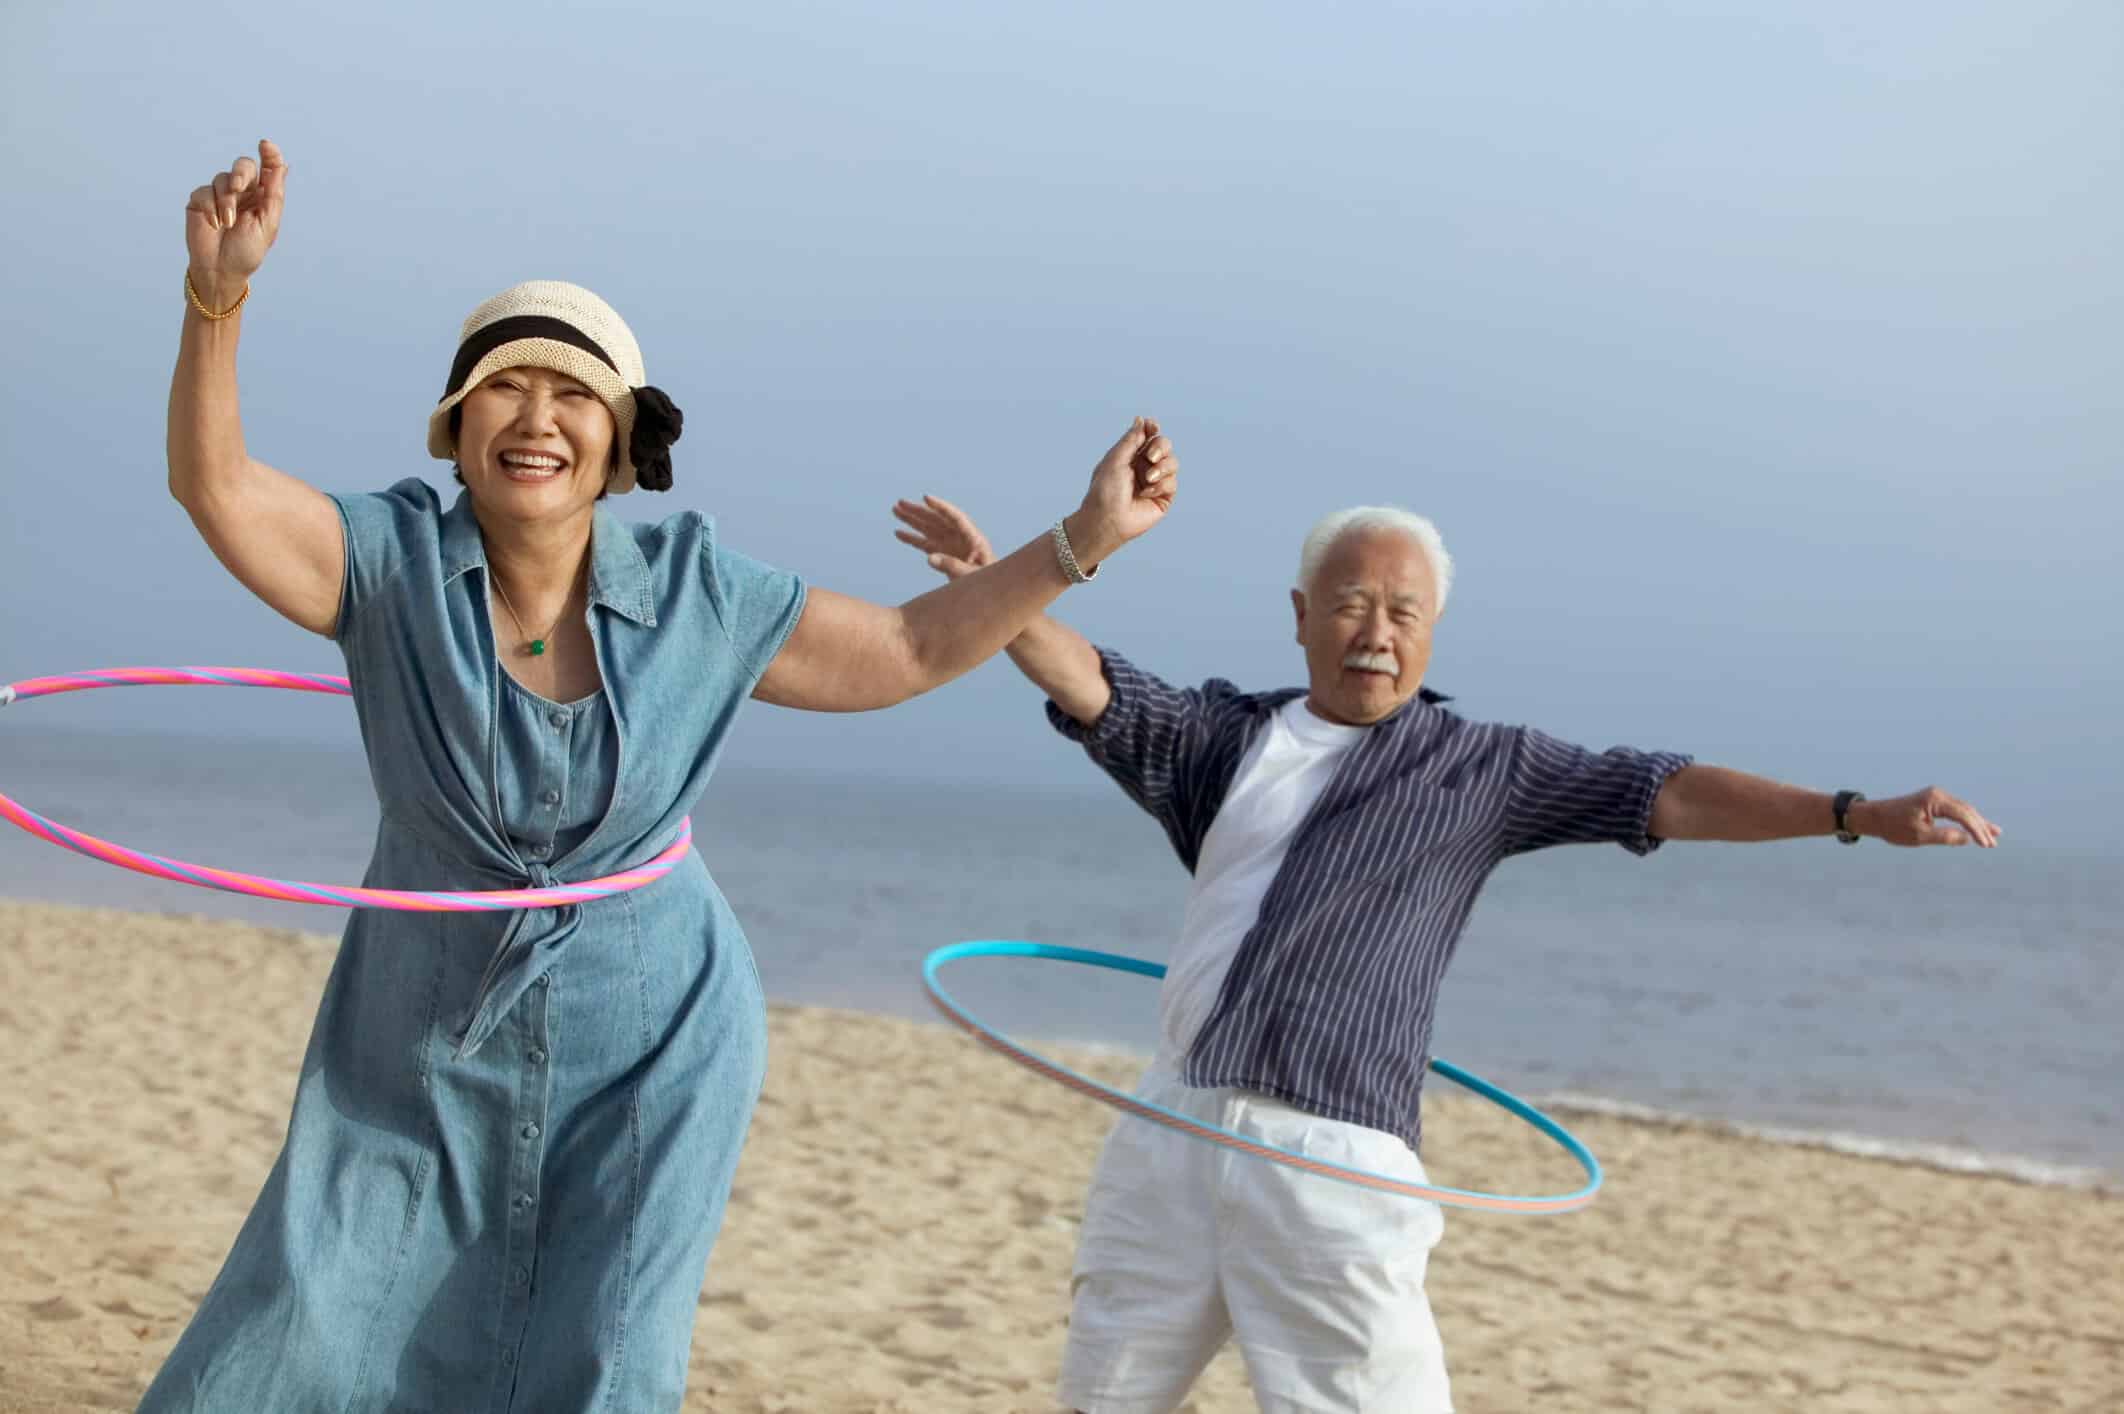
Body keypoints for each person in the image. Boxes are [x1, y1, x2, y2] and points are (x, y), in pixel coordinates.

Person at [146, 139, 1178, 1413]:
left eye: (572, 395)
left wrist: (1083, 538)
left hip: (654, 1042)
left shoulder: (698, 592)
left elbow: (908, 647)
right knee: (297, 1327)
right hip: (413, 1036)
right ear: (455, 424)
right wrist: (219, 294)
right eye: (504, 390)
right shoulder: (388, 563)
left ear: (621, 439)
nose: (536, 420)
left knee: (605, 1359)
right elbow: (218, 485)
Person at [891, 492, 1997, 1414]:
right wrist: (1002, 582)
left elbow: (1668, 789)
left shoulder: (1486, 768)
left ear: (1431, 630)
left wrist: (1853, 810)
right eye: (1352, 604)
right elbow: (1085, 676)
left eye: (1403, 611)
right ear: (1301, 615)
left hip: (1335, 1162)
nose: (1376, 630)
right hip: (1171, 1131)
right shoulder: (1220, 740)